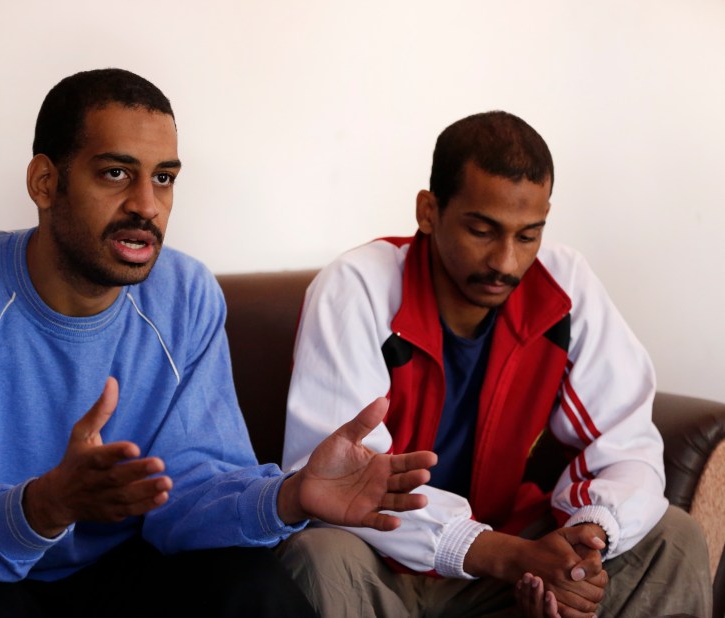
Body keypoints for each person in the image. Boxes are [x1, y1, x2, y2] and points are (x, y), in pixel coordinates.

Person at [0, 68, 438, 618]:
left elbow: (191, 491)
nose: (146, 205)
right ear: (45, 182)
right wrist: (47, 504)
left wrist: (289, 496)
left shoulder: (186, 293)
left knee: (250, 585)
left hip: (111, 570)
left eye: (164, 178)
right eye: (116, 173)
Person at [278, 111, 712, 617]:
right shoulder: (356, 288)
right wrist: (505, 555)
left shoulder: (565, 286)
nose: (506, 261)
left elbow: (626, 443)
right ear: (428, 211)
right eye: (482, 231)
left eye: (528, 236)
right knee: (319, 555)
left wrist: (582, 553)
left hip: (510, 554)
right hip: (380, 563)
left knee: (672, 537)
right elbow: (339, 483)